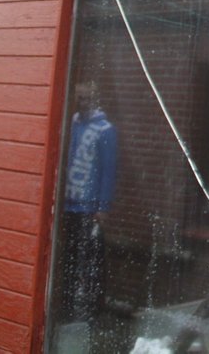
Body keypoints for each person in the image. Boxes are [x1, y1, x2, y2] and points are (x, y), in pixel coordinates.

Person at [61, 80, 117, 323]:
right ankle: (68, 305)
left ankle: (94, 308)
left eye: (86, 98)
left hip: (89, 208)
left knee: (91, 258)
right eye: (79, 97)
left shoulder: (105, 130)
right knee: (69, 256)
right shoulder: (71, 125)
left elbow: (108, 171)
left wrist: (103, 206)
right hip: (68, 204)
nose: (82, 102)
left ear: (95, 99)